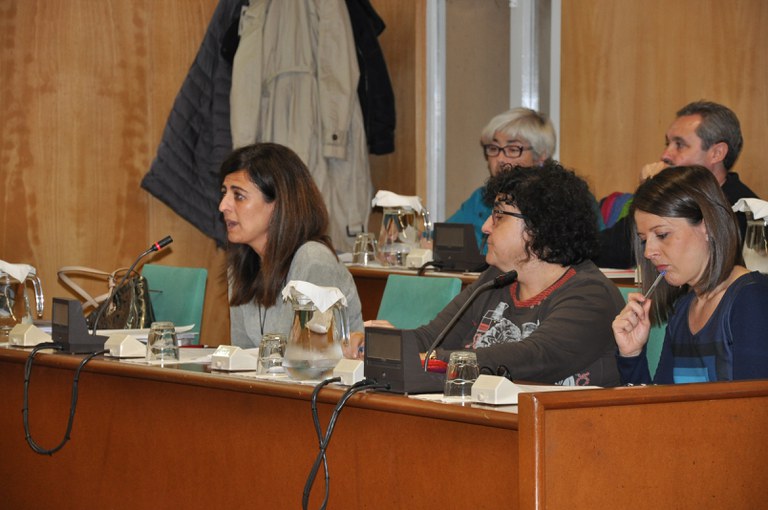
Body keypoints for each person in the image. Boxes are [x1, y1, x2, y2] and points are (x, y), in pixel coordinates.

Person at [362, 161, 623, 386]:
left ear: (539, 227)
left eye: (499, 216)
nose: (486, 226)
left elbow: (533, 357)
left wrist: (435, 360)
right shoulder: (496, 279)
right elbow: (432, 338)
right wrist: (379, 345)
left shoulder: (591, 295)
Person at [613, 166, 768, 384]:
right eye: (644, 240)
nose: (648, 252)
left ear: (707, 226)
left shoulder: (751, 298)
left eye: (662, 234)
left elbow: (754, 403)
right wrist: (631, 355)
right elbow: (660, 402)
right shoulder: (683, 308)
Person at [219, 143, 364, 349]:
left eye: (239, 196)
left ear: (279, 203)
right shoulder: (242, 263)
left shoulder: (313, 260)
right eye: (224, 193)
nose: (223, 206)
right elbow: (241, 354)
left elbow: (308, 356)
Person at [596, 100, 759, 269]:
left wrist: (656, 192)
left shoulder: (748, 214)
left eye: (679, 145)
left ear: (717, 153)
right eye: (668, 144)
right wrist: (653, 193)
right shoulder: (673, 196)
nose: (665, 155)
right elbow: (606, 251)